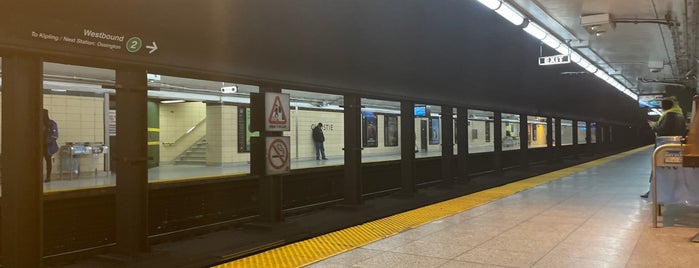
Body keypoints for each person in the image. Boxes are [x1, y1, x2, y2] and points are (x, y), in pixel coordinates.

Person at [641, 97, 686, 198]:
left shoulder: (670, 115)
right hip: (675, 147)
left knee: (659, 169)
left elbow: (663, 131)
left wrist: (654, 126)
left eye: (662, 106)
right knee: (670, 171)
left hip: (664, 147)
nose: (661, 108)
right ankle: (664, 192)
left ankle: (655, 193)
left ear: (665, 106)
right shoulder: (679, 114)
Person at [43, 109, 59, 182]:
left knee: (48, 161)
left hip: (48, 146)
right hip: (40, 146)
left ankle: (48, 177)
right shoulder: (37, 123)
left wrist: (47, 141)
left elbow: (55, 135)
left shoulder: (52, 123)